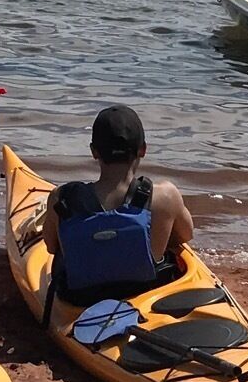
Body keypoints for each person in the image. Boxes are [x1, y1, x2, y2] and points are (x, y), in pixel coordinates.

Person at [41, 106, 193, 302]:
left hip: (80, 298)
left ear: (94, 152)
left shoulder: (61, 198)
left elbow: (52, 247)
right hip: (142, 293)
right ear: (143, 149)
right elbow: (186, 235)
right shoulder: (166, 196)